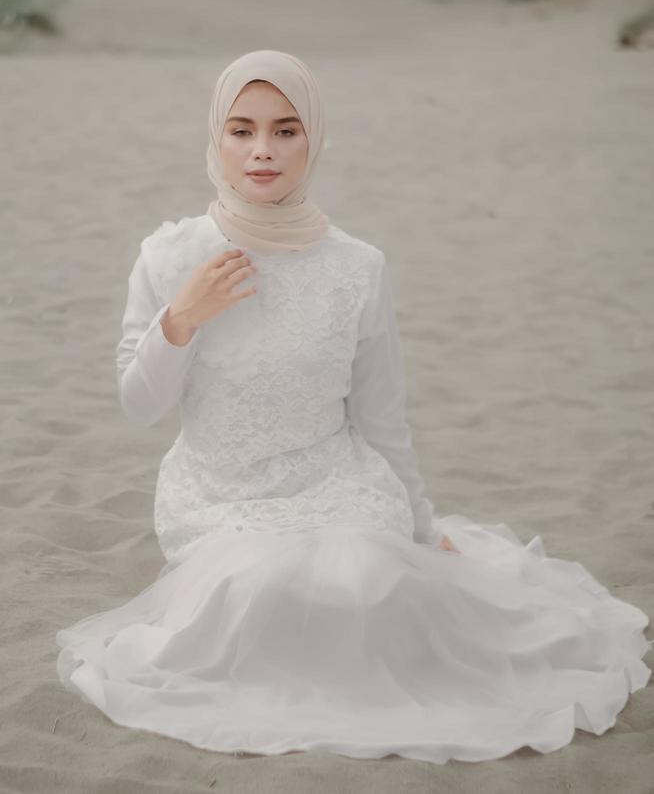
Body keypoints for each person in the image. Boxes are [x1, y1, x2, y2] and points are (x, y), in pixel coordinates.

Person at [55, 49, 652, 765]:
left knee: (363, 575)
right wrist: (181, 319)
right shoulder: (171, 255)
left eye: (286, 130)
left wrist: (424, 528)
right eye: (241, 130)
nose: (263, 151)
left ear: (315, 139)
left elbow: (381, 417)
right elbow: (139, 406)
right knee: (260, 586)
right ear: (215, 138)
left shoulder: (356, 266)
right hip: (221, 495)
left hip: (337, 482)